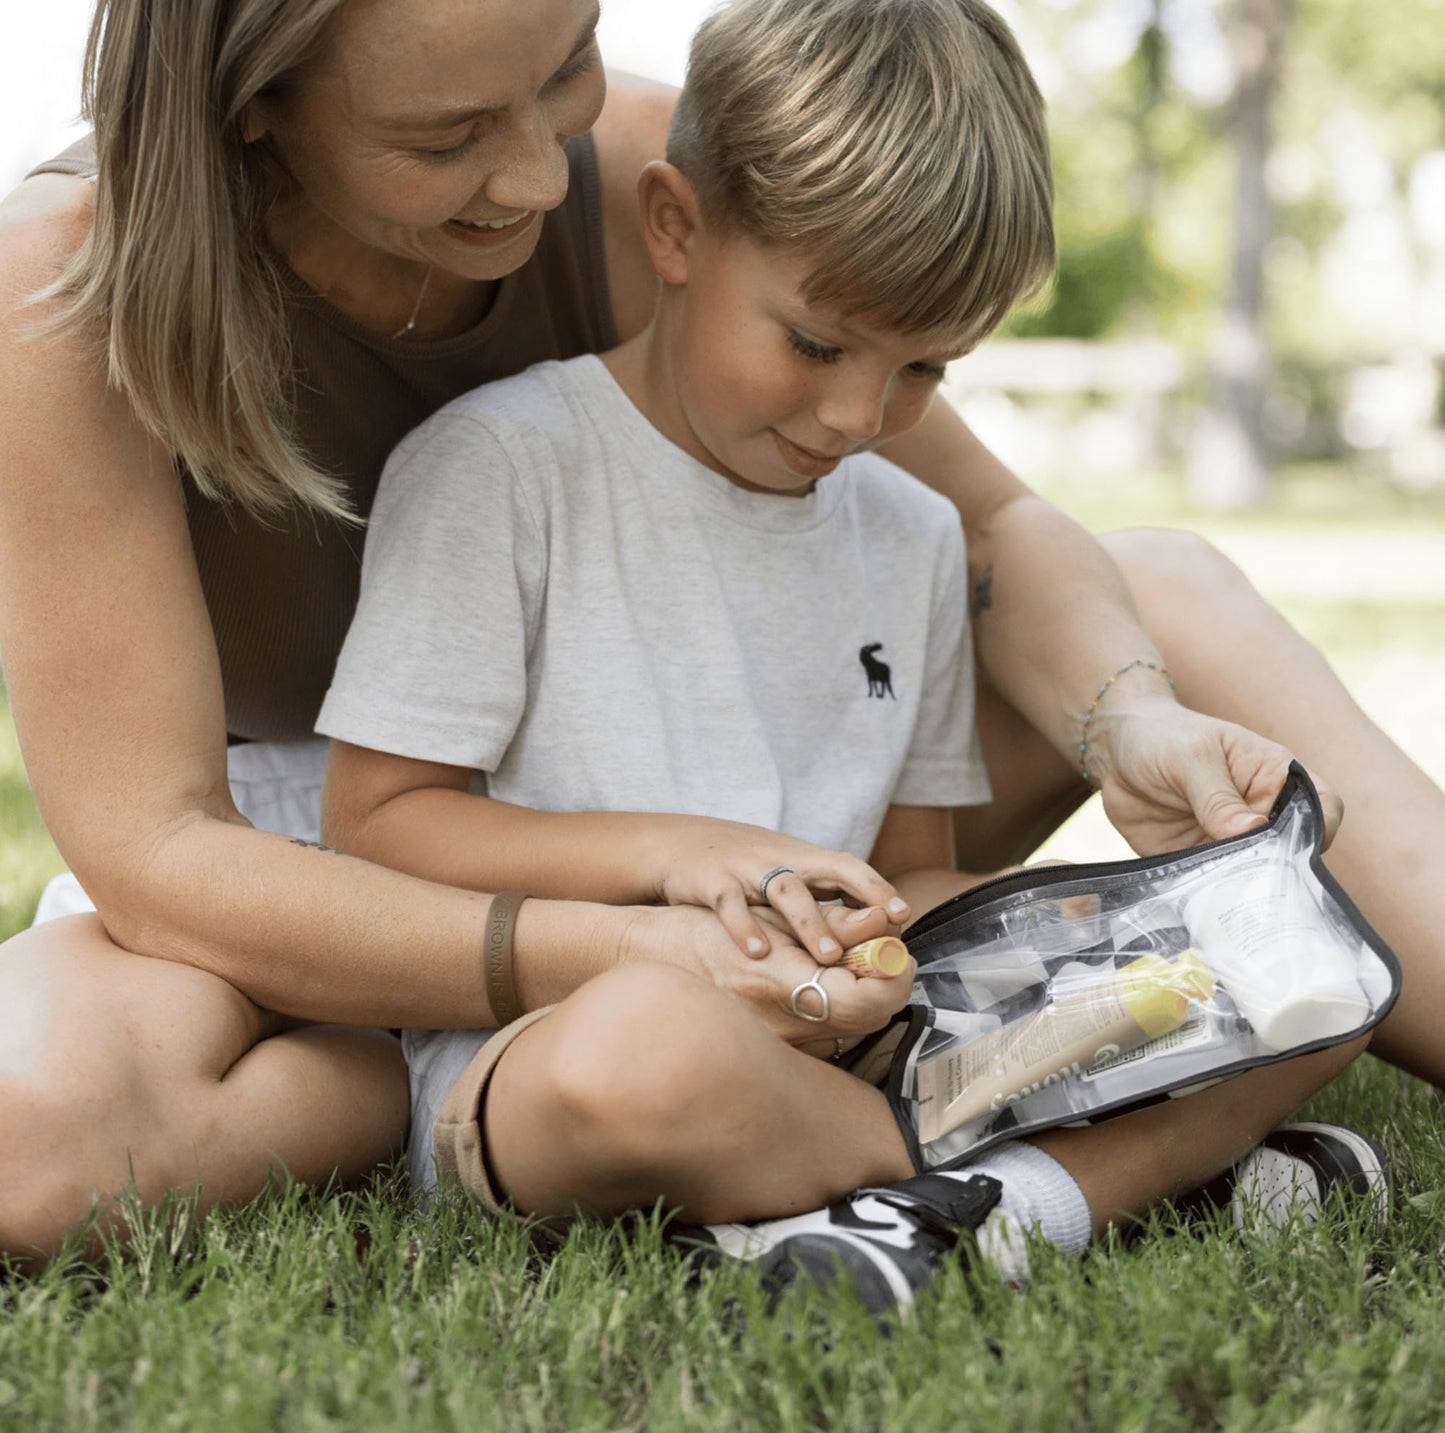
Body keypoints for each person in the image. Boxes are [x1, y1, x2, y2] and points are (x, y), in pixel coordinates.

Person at [0, 0, 1429, 1268]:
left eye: (562, 69)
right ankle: (478, 1106)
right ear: (254, 111)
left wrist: (1127, 720)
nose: (532, 175)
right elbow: (164, 852)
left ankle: (772, 1128)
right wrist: (628, 946)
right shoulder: (69, 282)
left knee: (1161, 594)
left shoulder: (640, 171)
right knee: (36, 1139)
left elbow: (990, 529)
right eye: (443, 139)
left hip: (721, 809)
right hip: (307, 878)